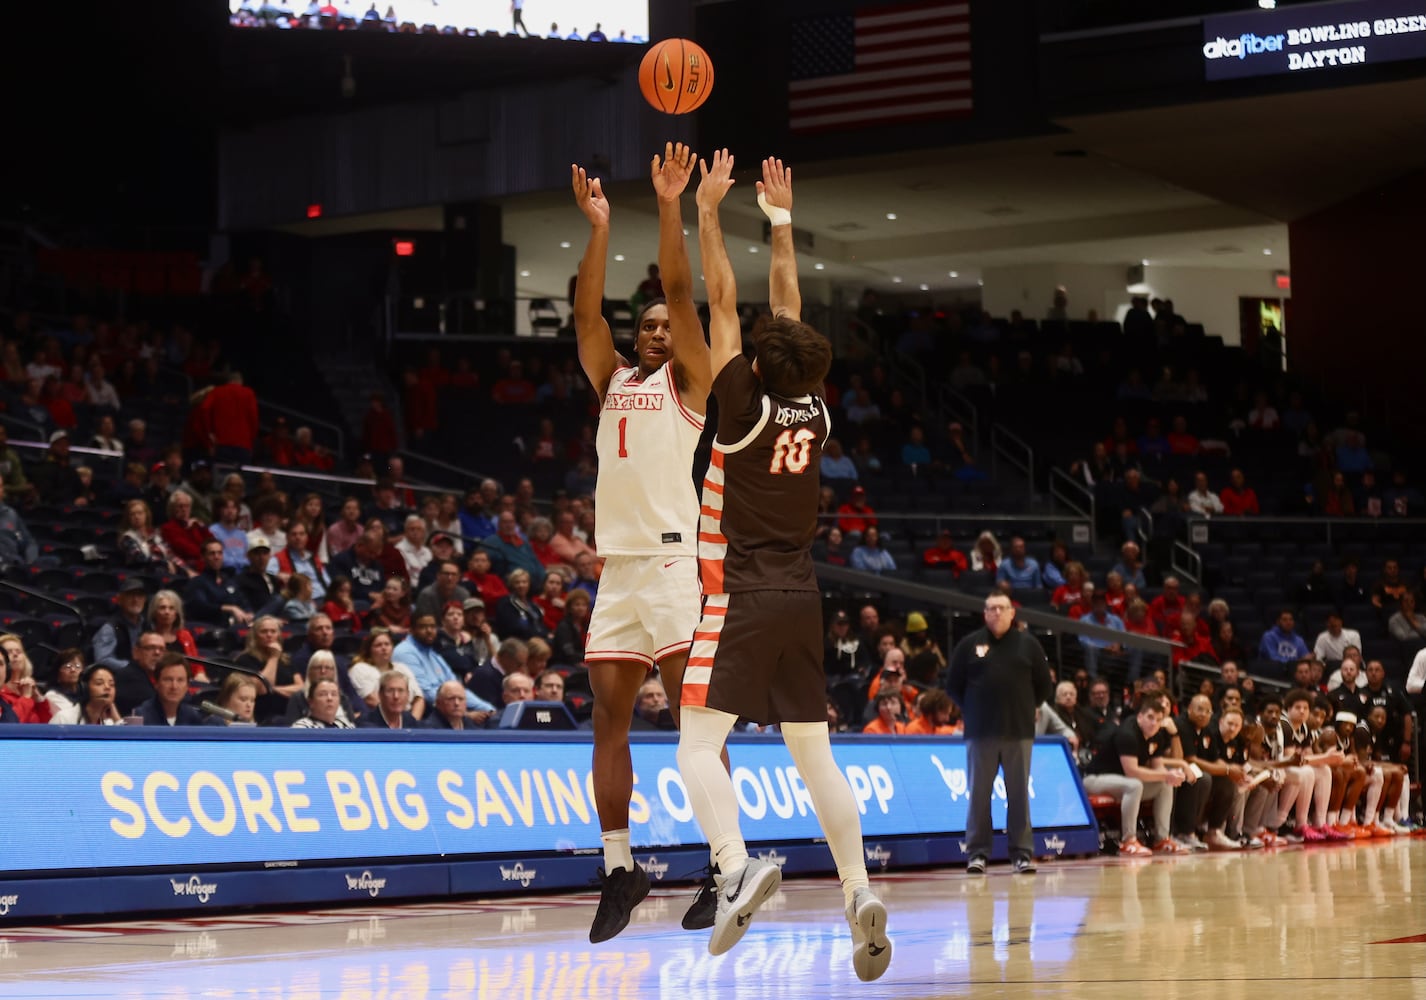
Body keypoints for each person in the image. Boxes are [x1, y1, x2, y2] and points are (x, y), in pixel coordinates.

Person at [675, 151, 890, 980]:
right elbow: (787, 312)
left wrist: (708, 212)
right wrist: (783, 223)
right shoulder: (815, 405)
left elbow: (725, 299)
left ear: (761, 363)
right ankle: (857, 890)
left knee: (697, 749)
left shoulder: (743, 401)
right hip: (805, 595)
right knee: (815, 755)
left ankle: (733, 870)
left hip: (742, 594)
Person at [571, 144, 718, 944]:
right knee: (608, 721)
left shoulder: (688, 385)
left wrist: (670, 206)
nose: (662, 329)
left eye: (669, 324)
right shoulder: (614, 380)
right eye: (652, 325)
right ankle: (621, 865)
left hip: (671, 563)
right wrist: (598, 225)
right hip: (618, 569)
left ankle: (725, 864)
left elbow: (684, 290)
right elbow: (588, 318)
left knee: (692, 722)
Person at [945, 590, 1055, 875]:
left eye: (1001, 608)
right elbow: (953, 686)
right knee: (979, 795)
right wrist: (973, 709)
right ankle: (977, 854)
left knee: (1018, 794)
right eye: (991, 608)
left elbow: (1044, 686)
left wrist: (1025, 706)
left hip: (1019, 732)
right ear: (984, 613)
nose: (996, 613)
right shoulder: (970, 644)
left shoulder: (1028, 645)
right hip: (980, 733)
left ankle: (1021, 854)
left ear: (1012, 612)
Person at [134, 654, 205, 726]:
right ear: (156, 683)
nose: (174, 686)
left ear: (187, 686)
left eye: (180, 680)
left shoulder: (193, 717)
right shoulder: (141, 716)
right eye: (168, 680)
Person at [290, 678, 355, 729]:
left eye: (334, 694)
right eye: (323, 694)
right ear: (311, 702)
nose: (330, 698)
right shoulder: (301, 727)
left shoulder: (347, 726)